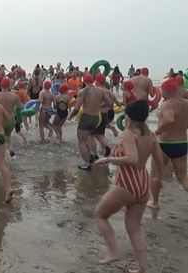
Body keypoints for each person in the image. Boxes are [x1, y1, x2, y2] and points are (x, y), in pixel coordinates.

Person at [93, 100, 163, 273]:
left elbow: (131, 159)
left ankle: (114, 252)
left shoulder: (129, 135)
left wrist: (108, 159)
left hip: (126, 184)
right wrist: (158, 177)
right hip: (143, 185)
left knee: (100, 215)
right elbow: (159, 159)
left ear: (129, 116)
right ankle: (143, 268)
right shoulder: (151, 135)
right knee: (134, 229)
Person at [148, 77, 188, 209]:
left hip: (165, 144)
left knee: (155, 175)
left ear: (166, 90)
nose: (162, 93)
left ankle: (154, 202)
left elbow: (170, 119)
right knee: (182, 177)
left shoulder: (168, 104)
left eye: (162, 90)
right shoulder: (186, 103)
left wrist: (156, 132)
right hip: (181, 143)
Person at [69, 74, 112, 170]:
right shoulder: (101, 91)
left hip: (86, 117)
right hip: (96, 118)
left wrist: (70, 116)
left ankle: (87, 164)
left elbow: (76, 107)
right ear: (93, 81)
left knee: (81, 141)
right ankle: (91, 156)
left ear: (84, 81)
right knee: (89, 136)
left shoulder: (83, 91)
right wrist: (97, 105)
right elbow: (110, 104)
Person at [0, 77, 20, 156]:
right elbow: (20, 107)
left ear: (1, 86)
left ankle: (2, 152)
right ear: (9, 86)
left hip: (1, 119)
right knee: (9, 134)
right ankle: (10, 149)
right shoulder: (14, 96)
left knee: (1, 136)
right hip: (11, 120)